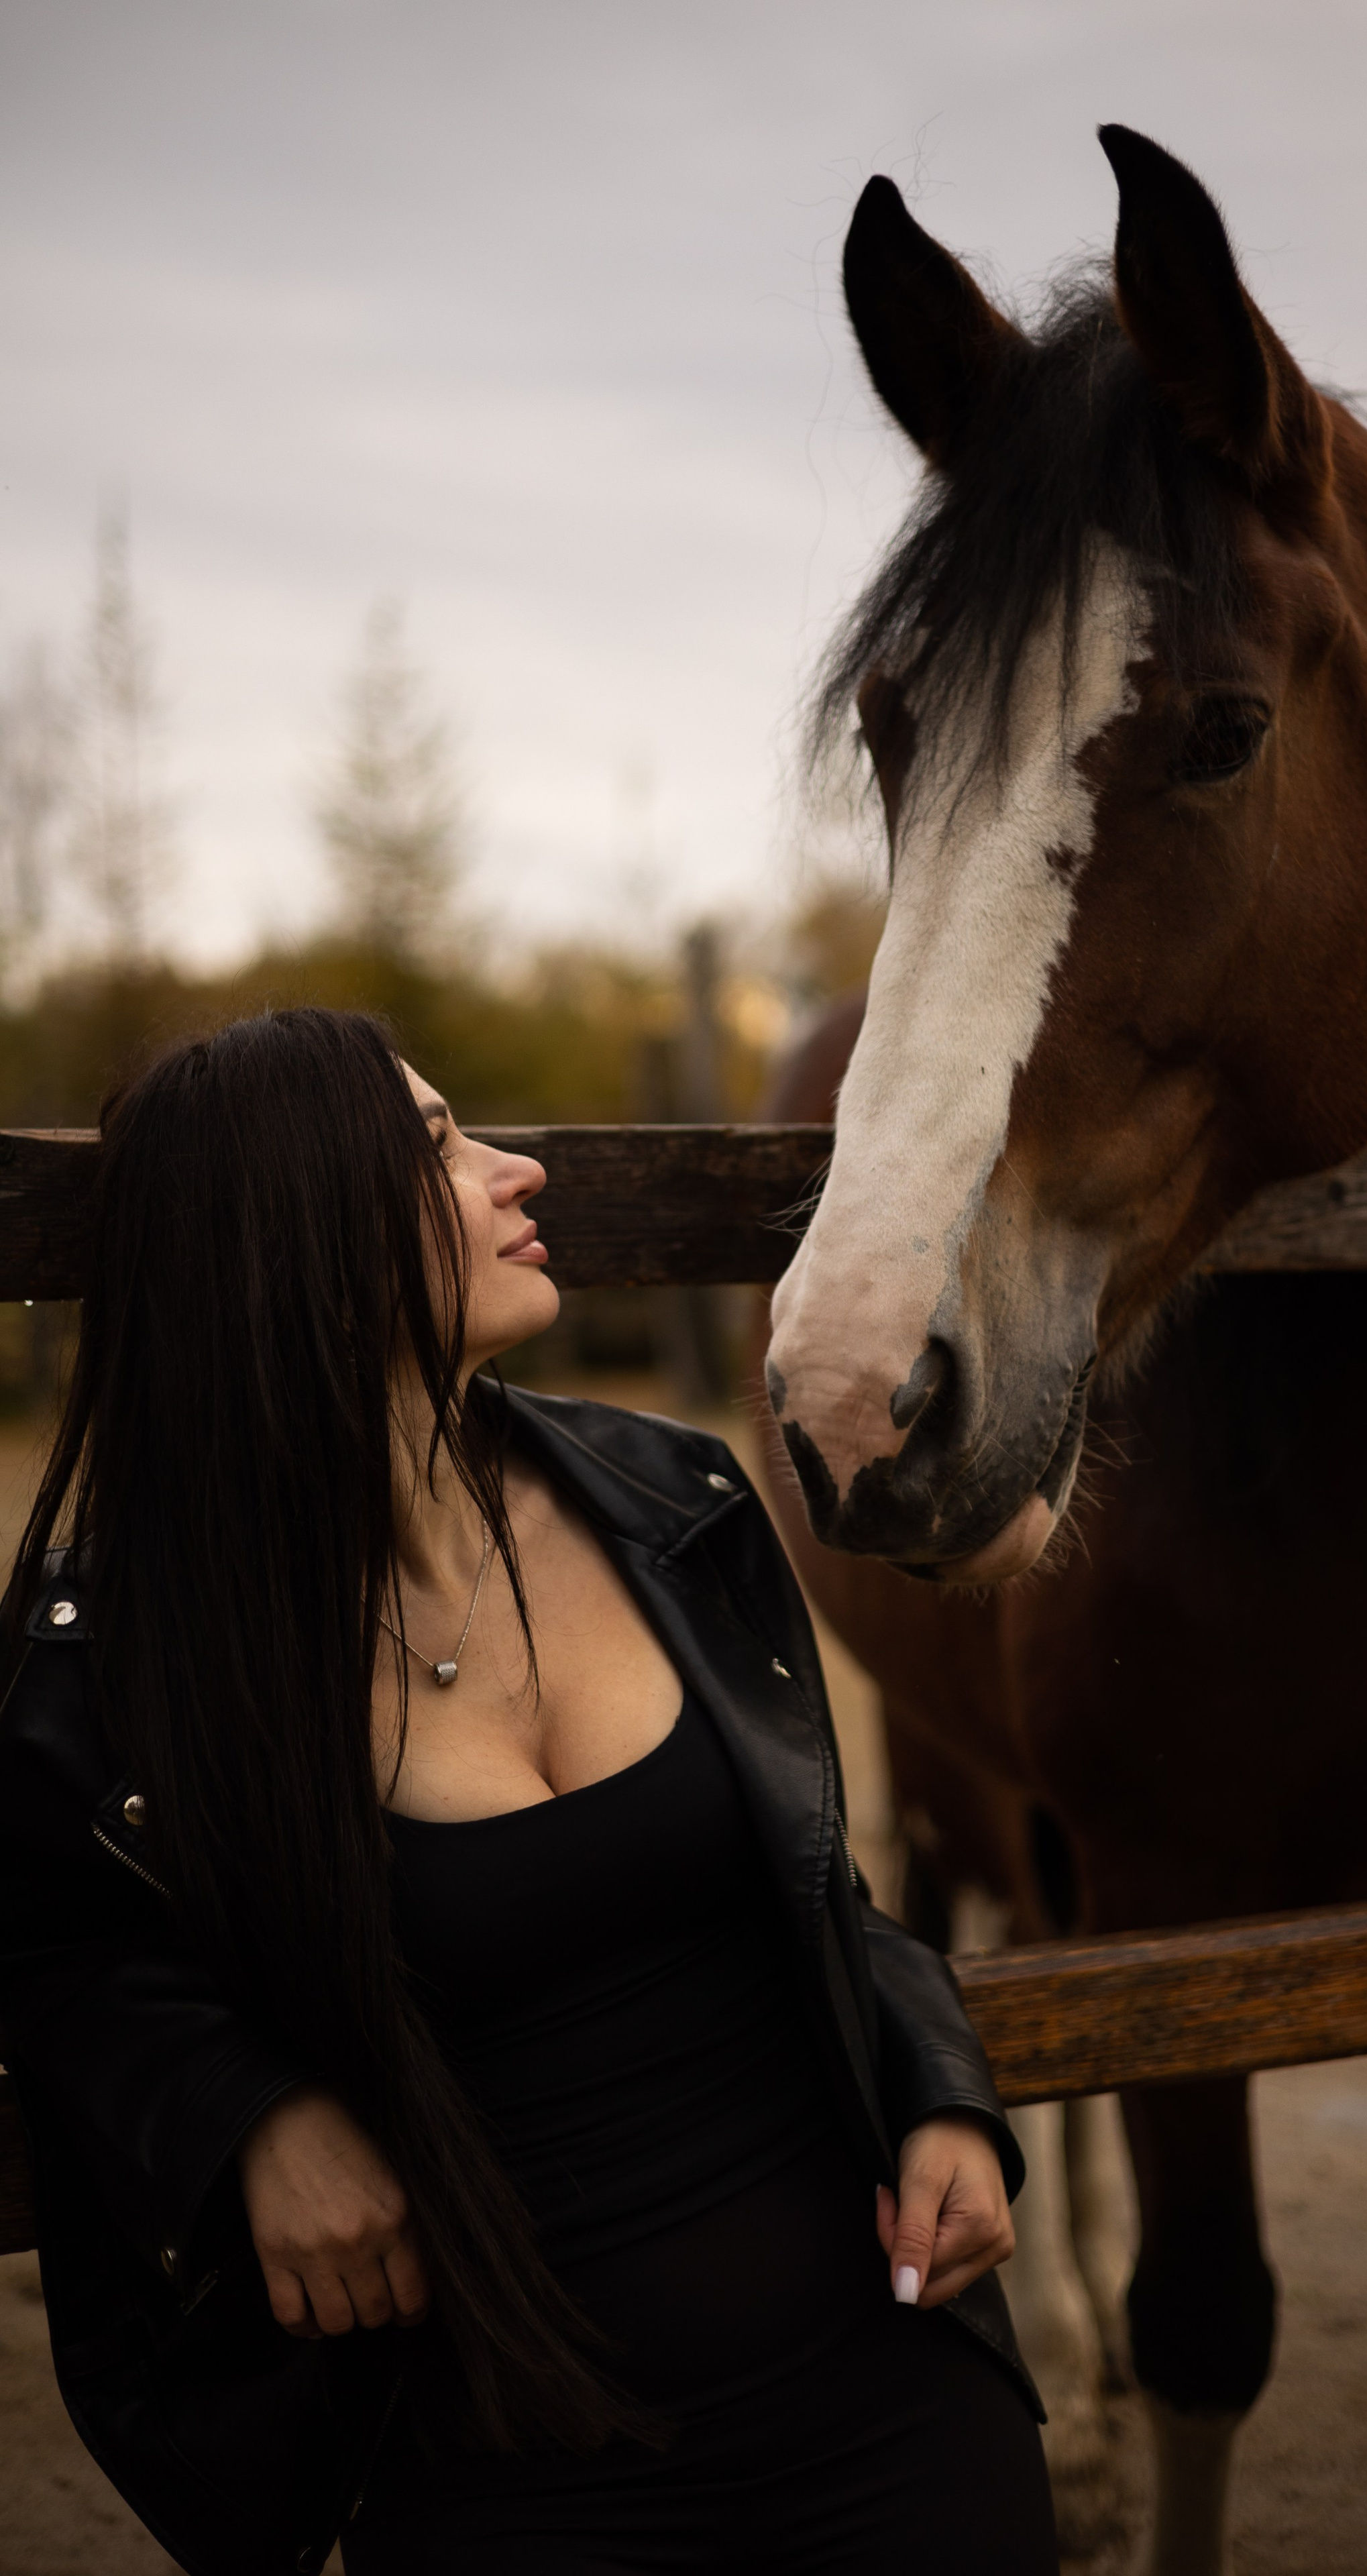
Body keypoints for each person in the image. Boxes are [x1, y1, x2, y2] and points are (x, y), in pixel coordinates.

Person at [0, 1008, 1056, 2576]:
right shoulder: (128, 1657)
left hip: (891, 2395)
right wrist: (246, 2112)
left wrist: (943, 2096)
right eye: (435, 1148)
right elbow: (49, 1949)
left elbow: (816, 1883)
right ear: (289, 1228)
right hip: (510, 2475)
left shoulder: (672, 1503)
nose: (516, 1170)